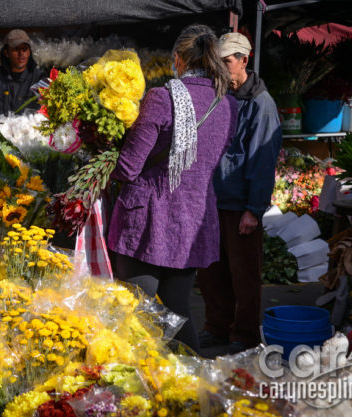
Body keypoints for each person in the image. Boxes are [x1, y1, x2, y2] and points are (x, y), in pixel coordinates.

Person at [107, 24, 238, 353]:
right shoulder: (227, 106)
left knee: (137, 314)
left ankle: (142, 393)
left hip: (147, 222)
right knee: (179, 312)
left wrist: (103, 152)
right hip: (192, 220)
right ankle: (191, 391)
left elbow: (129, 167)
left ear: (177, 59)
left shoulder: (161, 99)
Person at [196, 32, 282, 354]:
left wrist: (253, 210)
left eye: (227, 60)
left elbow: (262, 159)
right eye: (217, 60)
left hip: (239, 206)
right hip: (211, 202)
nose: (220, 66)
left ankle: (244, 335)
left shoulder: (261, 104)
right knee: (210, 272)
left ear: (244, 60)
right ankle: (216, 328)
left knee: (244, 275)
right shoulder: (218, 96)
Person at [0, 29, 46, 116]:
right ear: (6, 53)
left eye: (25, 49)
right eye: (16, 49)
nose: (21, 53)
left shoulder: (39, 78)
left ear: (29, 52)